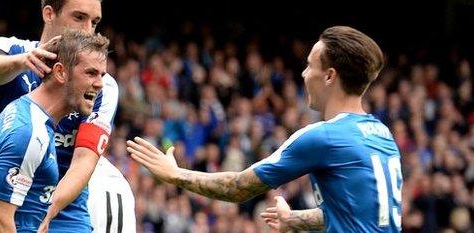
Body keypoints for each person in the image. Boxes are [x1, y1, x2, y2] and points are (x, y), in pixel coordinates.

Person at [127, 26, 403, 232]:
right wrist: (291, 219)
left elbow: (238, 187)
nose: (304, 74)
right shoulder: (382, 135)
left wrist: (177, 175)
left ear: (330, 75)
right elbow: (352, 213)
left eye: (309, 66)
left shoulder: (325, 136)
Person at [0, 0, 136, 232]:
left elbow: (84, 162)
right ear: (49, 14)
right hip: (3, 196)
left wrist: (47, 213)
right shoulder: (11, 51)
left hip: (64, 207)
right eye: (79, 17)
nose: (88, 30)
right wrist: (23, 62)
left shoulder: (103, 85)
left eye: (95, 22)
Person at [0, 30, 110, 233]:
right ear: (61, 72)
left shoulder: (18, 112)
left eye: (102, 75)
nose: (99, 84)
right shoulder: (29, 133)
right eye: (90, 73)